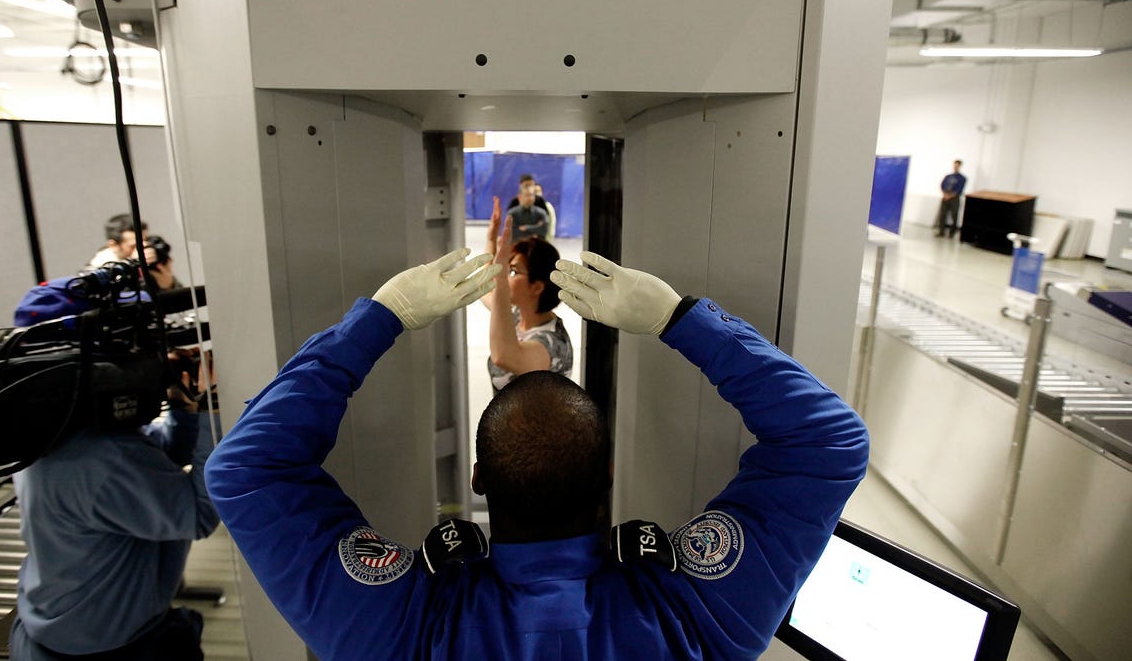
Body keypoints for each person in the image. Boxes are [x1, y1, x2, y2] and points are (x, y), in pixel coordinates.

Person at [205, 245, 869, 659]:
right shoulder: (695, 616)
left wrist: (379, 318)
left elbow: (244, 468)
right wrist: (680, 318)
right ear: (606, 474)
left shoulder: (402, 629)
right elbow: (828, 442)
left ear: (477, 479)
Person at [8, 279, 219, 660]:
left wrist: (182, 402)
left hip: (61, 624)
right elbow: (199, 515)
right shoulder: (96, 458)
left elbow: (155, 459)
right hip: (105, 648)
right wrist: (210, 408)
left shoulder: (49, 430)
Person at [481, 197, 573, 392]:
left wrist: (500, 277)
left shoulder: (552, 343)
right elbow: (486, 286)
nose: (506, 275)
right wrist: (491, 238)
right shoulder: (516, 314)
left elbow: (504, 356)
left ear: (537, 287)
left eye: (514, 271)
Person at [936, 159, 967, 238]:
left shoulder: (962, 178)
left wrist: (950, 195)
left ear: (960, 166)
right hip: (945, 197)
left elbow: (959, 189)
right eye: (954, 165)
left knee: (954, 215)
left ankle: (952, 233)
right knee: (942, 215)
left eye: (957, 165)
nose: (955, 167)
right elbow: (942, 185)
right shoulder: (948, 176)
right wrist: (945, 194)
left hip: (954, 199)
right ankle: (941, 231)